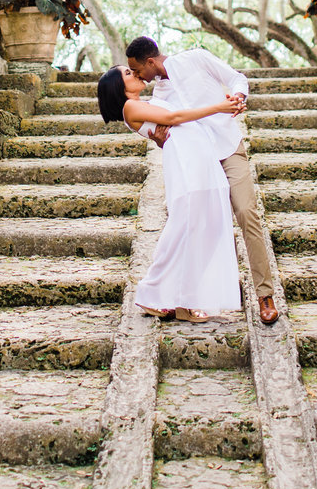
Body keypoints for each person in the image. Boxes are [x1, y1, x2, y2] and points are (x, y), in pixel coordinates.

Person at [125, 36, 280, 326]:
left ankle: (265, 295)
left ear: (150, 62)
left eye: (137, 70)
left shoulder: (196, 58)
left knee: (247, 212)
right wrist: (160, 141)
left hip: (227, 147)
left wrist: (239, 97)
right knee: (201, 225)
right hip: (198, 166)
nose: (137, 76)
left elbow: (236, 78)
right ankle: (195, 297)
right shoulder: (156, 97)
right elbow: (169, 129)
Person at [96, 65, 244, 321]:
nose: (135, 73)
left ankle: (185, 300)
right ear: (118, 87)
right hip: (186, 161)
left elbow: (172, 118)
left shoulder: (147, 103)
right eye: (128, 74)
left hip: (198, 154)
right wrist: (219, 107)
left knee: (203, 227)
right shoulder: (129, 107)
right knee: (184, 225)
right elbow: (175, 118)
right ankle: (150, 292)